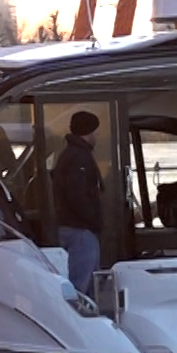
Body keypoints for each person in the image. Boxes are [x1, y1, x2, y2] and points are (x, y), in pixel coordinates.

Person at [50, 109, 104, 295]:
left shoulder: (69, 155)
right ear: (88, 132)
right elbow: (78, 195)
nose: (97, 136)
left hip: (75, 226)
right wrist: (93, 220)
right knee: (82, 284)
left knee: (85, 279)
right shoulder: (79, 157)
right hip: (80, 229)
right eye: (95, 131)